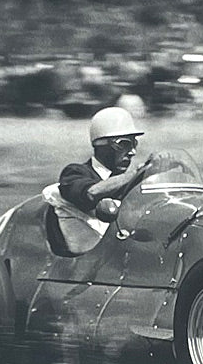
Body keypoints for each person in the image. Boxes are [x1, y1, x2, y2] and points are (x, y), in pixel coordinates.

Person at [46, 106, 152, 255]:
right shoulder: (74, 173)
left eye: (134, 144)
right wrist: (138, 173)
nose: (132, 152)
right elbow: (91, 193)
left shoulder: (129, 182)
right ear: (100, 145)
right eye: (124, 144)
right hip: (85, 263)